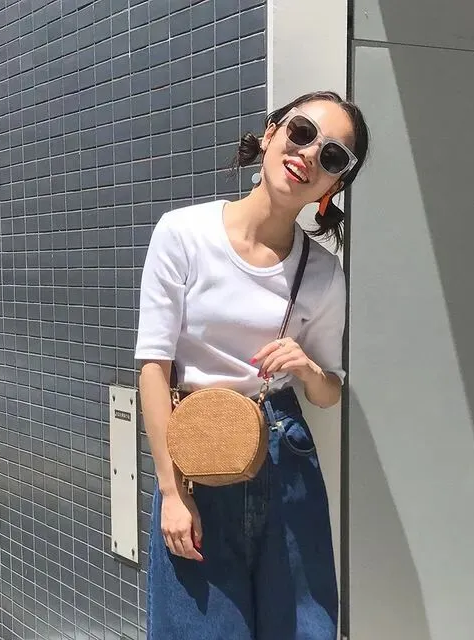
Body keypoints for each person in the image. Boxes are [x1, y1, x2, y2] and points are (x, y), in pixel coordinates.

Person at [135, 90, 370, 640]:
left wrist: (307, 368)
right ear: (270, 134)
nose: (309, 155)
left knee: (303, 628)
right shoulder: (183, 234)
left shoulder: (323, 273)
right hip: (197, 457)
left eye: (332, 156)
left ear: (333, 185)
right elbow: (153, 366)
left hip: (285, 458)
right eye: (302, 132)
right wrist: (173, 493)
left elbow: (329, 391)